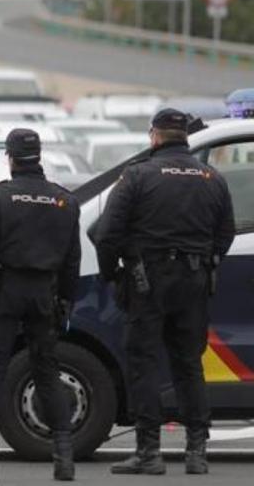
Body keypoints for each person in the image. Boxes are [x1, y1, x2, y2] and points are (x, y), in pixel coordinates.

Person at [96, 108, 235, 475]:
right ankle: (196, 452)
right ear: (185, 138)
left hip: (148, 281)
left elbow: (108, 233)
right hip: (194, 281)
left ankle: (149, 453)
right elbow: (226, 234)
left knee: (143, 365)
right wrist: (205, 261)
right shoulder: (212, 177)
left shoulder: (138, 176)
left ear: (154, 136)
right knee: (189, 365)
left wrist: (114, 275)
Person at [0, 128, 81, 482]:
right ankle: (64, 458)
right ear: (38, 156)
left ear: (10, 158)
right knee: (47, 371)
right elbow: (72, 261)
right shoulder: (64, 201)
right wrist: (66, 302)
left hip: (5, 292)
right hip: (45, 294)